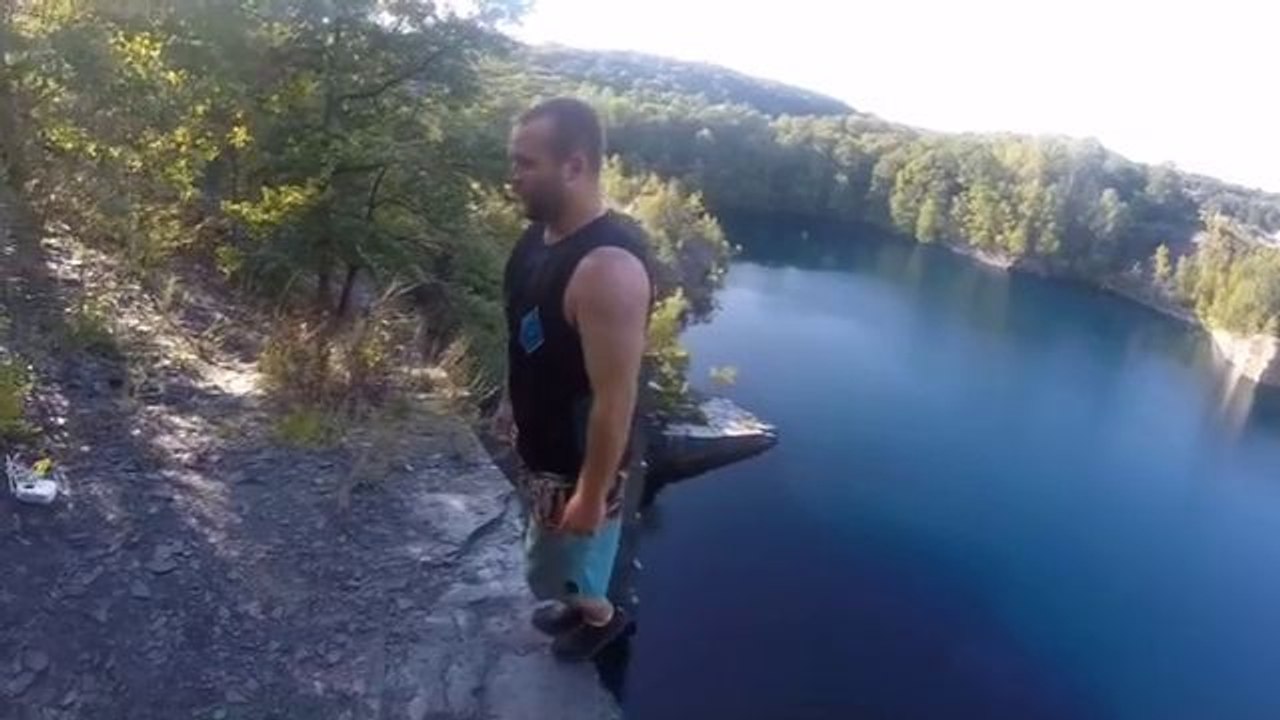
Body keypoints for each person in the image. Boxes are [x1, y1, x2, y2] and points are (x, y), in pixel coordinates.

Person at [495, 97, 652, 662]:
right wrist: (513, 402)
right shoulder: (536, 240)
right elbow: (524, 330)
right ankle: (573, 599)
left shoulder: (609, 270)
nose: (513, 178)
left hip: (580, 459)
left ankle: (605, 619)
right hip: (545, 444)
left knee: (571, 563)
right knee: (554, 558)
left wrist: (590, 493)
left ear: (575, 165)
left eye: (525, 164)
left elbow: (617, 399)